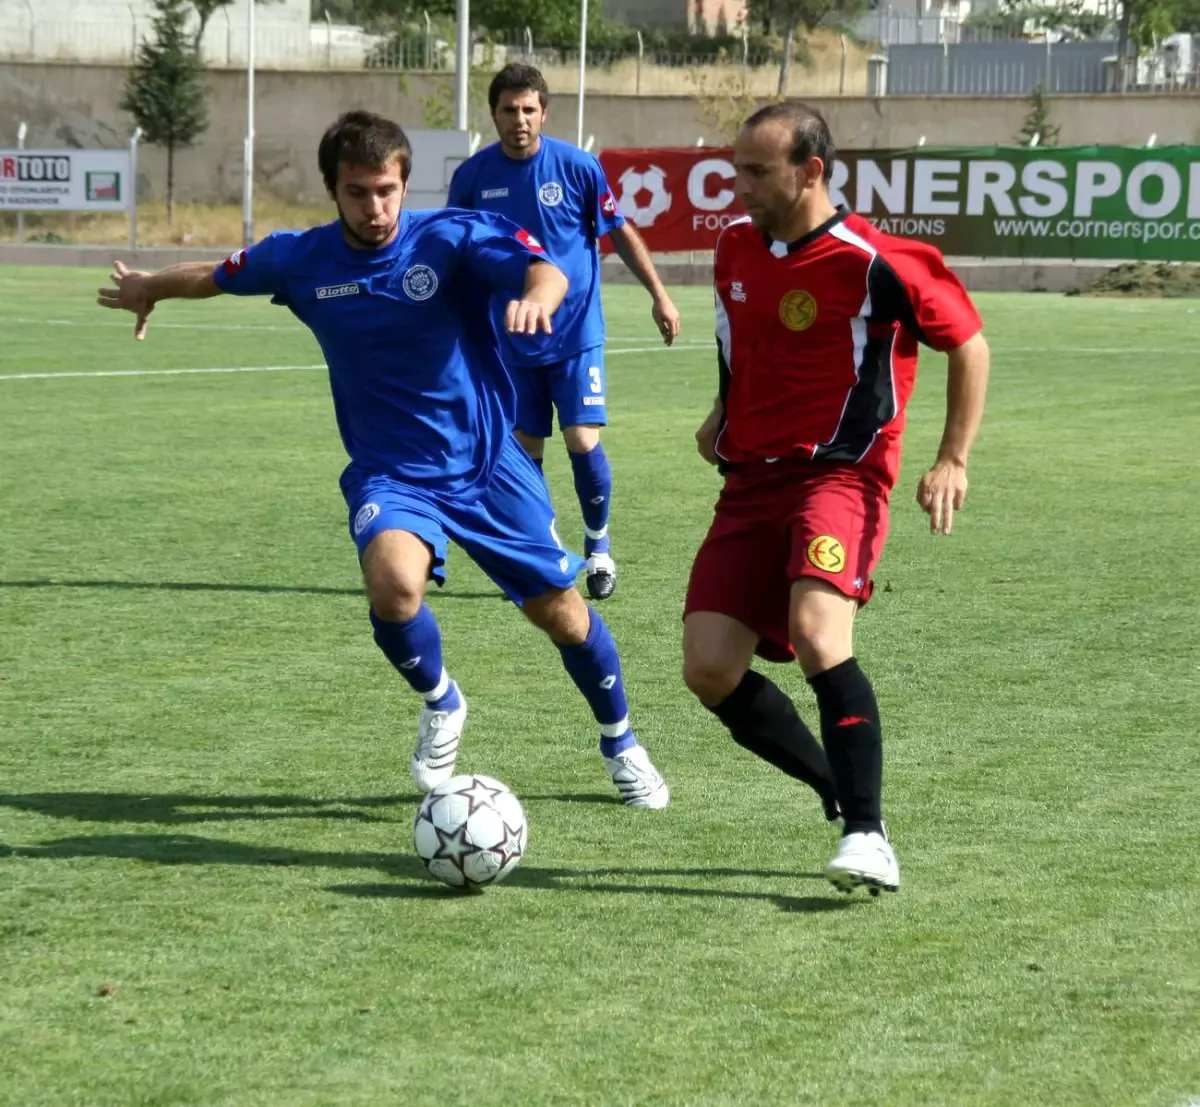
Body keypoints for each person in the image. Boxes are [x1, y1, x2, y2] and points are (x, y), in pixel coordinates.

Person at [96, 110, 669, 810]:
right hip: (391, 473)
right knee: (394, 584)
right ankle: (442, 699)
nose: (375, 208)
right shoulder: (300, 258)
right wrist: (150, 284)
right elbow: (217, 275)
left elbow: (542, 269)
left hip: (488, 463)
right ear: (332, 190)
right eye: (358, 192)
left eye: (388, 190)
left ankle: (622, 743)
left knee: (565, 618)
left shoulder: (451, 237)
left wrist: (534, 300)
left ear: (405, 183)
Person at [683, 102, 990, 893]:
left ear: (811, 170)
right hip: (749, 481)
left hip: (840, 474)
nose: (737, 184)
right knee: (709, 670)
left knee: (819, 634)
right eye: (736, 167)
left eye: (757, 171)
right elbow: (734, 342)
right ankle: (836, 785)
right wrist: (722, 414)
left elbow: (970, 343)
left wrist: (952, 457)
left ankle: (868, 831)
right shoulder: (732, 249)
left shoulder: (876, 258)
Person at [446, 62, 682, 601]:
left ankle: (598, 547)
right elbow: (454, 250)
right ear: (494, 114)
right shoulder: (473, 178)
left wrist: (660, 295)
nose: (520, 119)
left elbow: (617, 231)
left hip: (575, 334)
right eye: (509, 109)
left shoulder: (577, 167)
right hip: (508, 340)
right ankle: (541, 549)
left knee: (580, 438)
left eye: (529, 109)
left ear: (544, 113)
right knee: (526, 451)